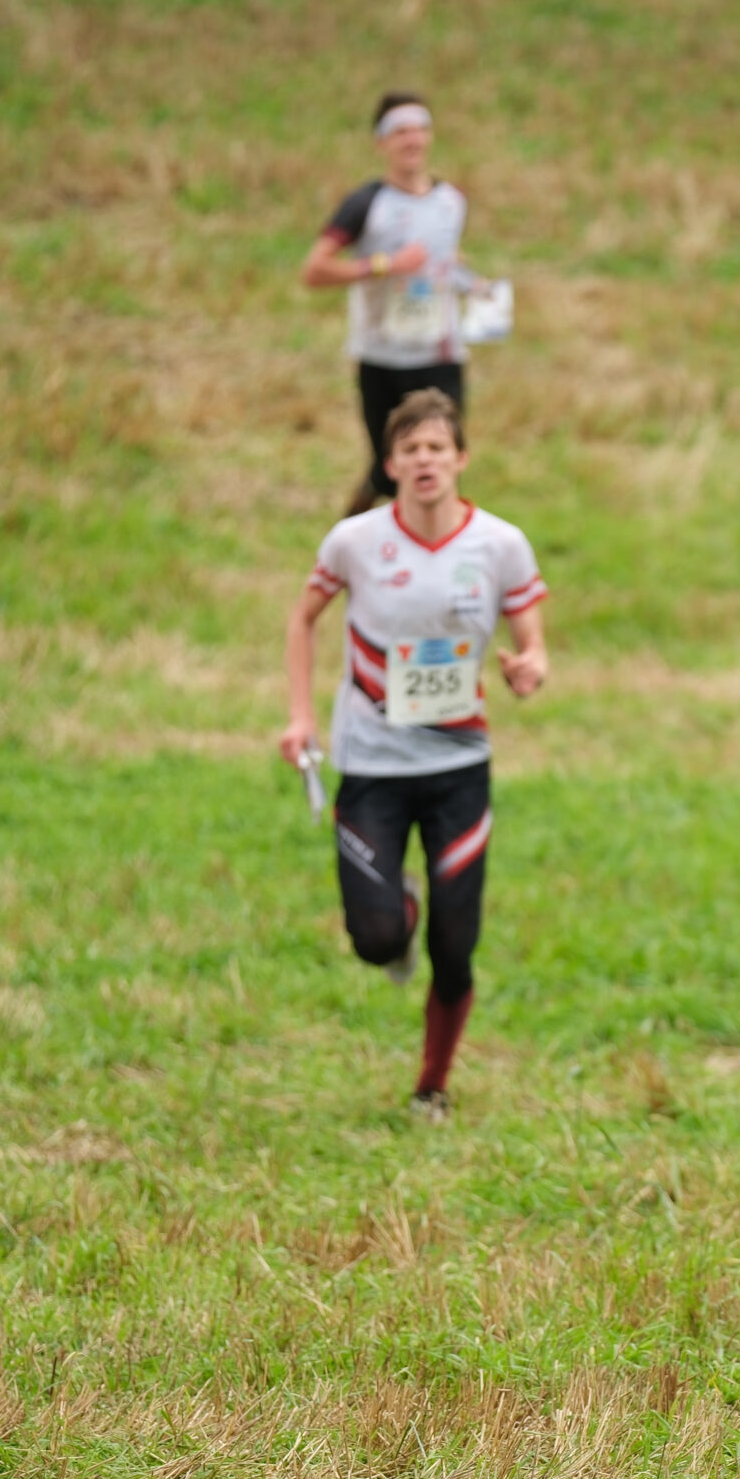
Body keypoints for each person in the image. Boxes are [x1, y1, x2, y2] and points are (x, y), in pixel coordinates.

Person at [277, 388, 547, 1121]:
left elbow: (531, 639)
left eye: (437, 447)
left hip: (458, 769)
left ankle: (432, 1085)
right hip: (371, 765)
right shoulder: (355, 542)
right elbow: (303, 620)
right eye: (410, 449)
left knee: (456, 946)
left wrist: (530, 666)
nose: (424, 460)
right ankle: (399, 913)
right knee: (377, 938)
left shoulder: (499, 543)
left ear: (461, 458)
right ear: (390, 464)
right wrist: (302, 716)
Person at [302, 92, 475, 511]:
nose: (412, 140)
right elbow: (315, 270)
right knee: (389, 467)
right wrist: (384, 265)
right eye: (400, 132)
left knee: (439, 460)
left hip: (440, 351)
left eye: (420, 129)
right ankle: (347, 543)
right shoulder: (366, 204)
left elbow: (444, 262)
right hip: (382, 355)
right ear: (381, 143)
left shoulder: (451, 201)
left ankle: (432, 555)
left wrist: (468, 280)